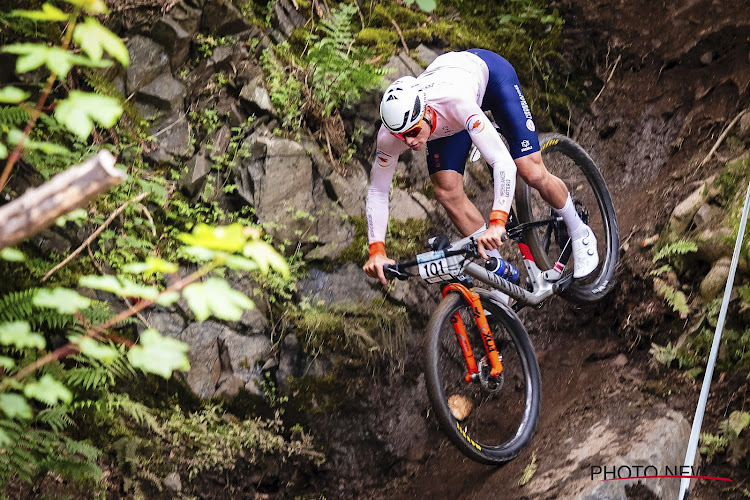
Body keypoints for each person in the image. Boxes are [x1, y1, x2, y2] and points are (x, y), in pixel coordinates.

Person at [362, 49, 598, 286]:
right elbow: (378, 191)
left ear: (426, 111)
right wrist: (376, 250)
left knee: (530, 170)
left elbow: (502, 161)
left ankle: (579, 230)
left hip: (491, 78)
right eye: (401, 136)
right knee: (446, 191)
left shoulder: (453, 102)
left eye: (413, 132)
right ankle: (499, 274)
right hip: (450, 111)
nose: (409, 141)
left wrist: (497, 222)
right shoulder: (390, 135)